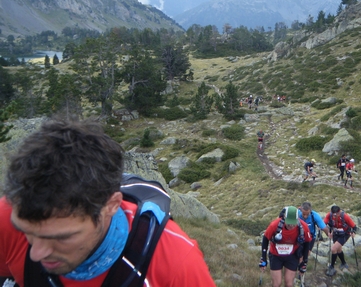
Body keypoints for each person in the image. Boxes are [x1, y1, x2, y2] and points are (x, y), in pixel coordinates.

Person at [0, 120, 216, 287]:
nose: (36, 253)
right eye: (26, 231)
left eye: (61, 237)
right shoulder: (11, 215)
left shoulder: (176, 267)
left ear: (111, 205)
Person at [260, 206, 312, 287]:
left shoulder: (303, 227)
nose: (291, 225)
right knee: (277, 283)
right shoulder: (275, 225)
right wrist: (263, 258)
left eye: (293, 223)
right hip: (276, 255)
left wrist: (304, 262)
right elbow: (265, 239)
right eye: (289, 222)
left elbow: (307, 243)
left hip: (292, 255)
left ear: (298, 219)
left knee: (289, 284)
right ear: (284, 218)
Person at [324, 205, 357, 276]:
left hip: (344, 234)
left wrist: (353, 232)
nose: (334, 216)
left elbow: (354, 226)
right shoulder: (329, 215)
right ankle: (344, 263)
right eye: (333, 214)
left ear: (339, 212)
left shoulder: (345, 216)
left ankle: (332, 266)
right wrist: (327, 232)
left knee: (333, 249)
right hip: (336, 233)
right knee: (338, 250)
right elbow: (324, 224)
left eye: (336, 214)